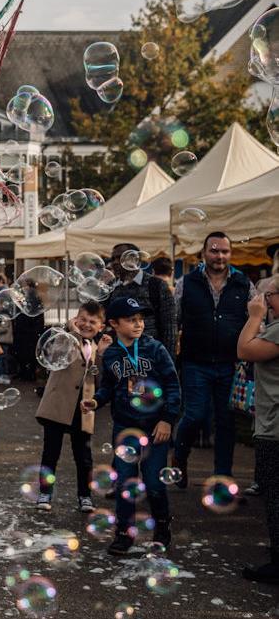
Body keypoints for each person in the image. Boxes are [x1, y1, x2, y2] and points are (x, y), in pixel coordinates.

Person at [84, 296, 180, 555]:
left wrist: (167, 420)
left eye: (140, 319)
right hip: (125, 428)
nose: (138, 324)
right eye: (131, 320)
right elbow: (108, 387)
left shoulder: (155, 349)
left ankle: (162, 526)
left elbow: (172, 384)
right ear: (114, 323)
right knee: (125, 482)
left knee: (154, 483)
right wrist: (96, 401)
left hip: (155, 428)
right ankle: (124, 533)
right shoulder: (112, 353)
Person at [173, 232, 255, 484]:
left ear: (230, 254)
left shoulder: (244, 283)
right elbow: (174, 321)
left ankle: (223, 477)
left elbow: (256, 320)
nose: (220, 256)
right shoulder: (186, 283)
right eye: (214, 250)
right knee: (195, 415)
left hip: (231, 364)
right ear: (203, 253)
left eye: (225, 251)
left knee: (226, 421)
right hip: (195, 361)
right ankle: (180, 456)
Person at [34, 301, 110, 513]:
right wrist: (72, 331)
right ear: (76, 319)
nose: (86, 325)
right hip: (57, 404)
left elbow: (99, 379)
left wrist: (102, 354)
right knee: (51, 452)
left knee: (84, 456)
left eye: (92, 322)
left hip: (83, 408)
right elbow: (54, 355)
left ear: (101, 326)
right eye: (82, 319)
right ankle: (45, 493)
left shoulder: (96, 347)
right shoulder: (64, 338)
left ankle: (84, 495)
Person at [239, 278, 279, 583]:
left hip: (275, 428)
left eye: (266, 295)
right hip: (271, 423)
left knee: (275, 494)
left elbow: (245, 349)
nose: (261, 300)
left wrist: (254, 316)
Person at [106, 242, 177, 354]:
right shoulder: (110, 287)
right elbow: (101, 321)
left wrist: (167, 363)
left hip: (150, 357)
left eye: (120, 257)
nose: (114, 262)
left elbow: (170, 328)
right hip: (120, 357)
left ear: (135, 260)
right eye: (113, 258)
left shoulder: (156, 285)